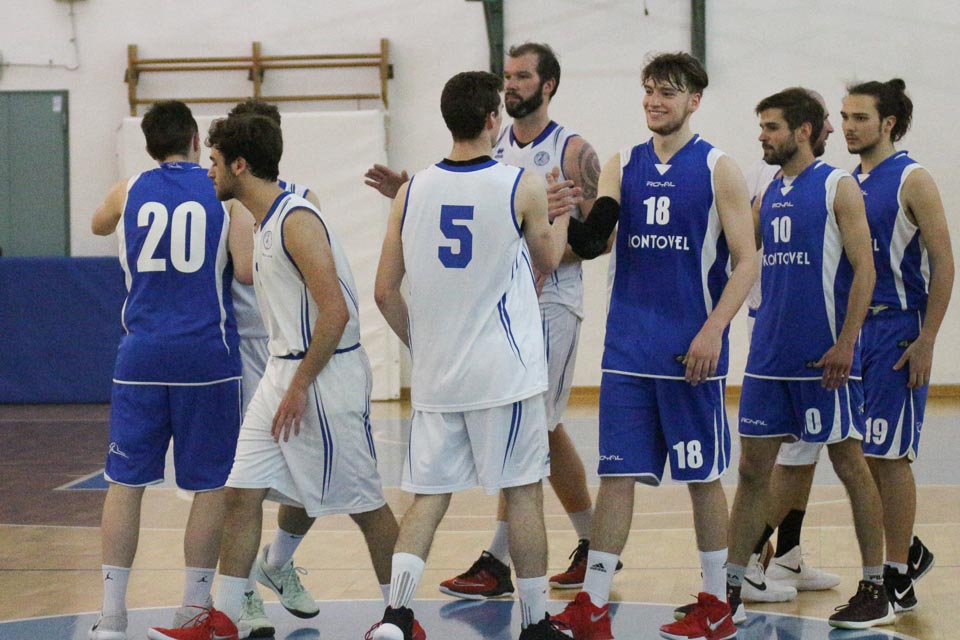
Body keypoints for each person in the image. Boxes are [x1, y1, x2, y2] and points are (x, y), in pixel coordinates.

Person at [367, 43, 607, 598]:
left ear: (548, 85)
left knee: (538, 433)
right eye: (507, 76)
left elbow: (599, 239)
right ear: (491, 113)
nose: (512, 84)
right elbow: (474, 215)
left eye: (522, 76)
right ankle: (568, 548)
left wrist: (549, 222)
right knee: (533, 447)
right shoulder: (495, 153)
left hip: (550, 303)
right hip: (499, 321)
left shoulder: (573, 151)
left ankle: (509, 559)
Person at [147, 113, 400, 640]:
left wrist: (300, 384)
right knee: (240, 494)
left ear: (240, 165)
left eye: (215, 162)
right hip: (282, 369)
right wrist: (287, 381)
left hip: (325, 375)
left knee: (365, 505)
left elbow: (335, 313)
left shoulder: (295, 220)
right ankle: (224, 617)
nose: (208, 171)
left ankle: (401, 617)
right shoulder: (259, 221)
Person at [548, 52, 758, 640]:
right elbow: (596, 240)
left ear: (694, 99)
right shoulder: (622, 164)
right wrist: (557, 214)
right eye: (649, 90)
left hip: (691, 353)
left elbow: (747, 261)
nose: (655, 101)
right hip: (627, 352)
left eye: (668, 92)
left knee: (702, 478)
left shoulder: (718, 168)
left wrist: (714, 329)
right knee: (617, 476)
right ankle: (592, 605)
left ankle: (716, 603)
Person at [725, 87, 893, 633]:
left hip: (823, 360)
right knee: (752, 473)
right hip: (767, 357)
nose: (762, 137)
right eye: (762, 127)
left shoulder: (837, 186)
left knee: (851, 467)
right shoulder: (768, 193)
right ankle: (728, 591)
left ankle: (875, 587)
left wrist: (847, 343)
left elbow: (866, 270)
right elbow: (738, 252)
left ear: (802, 131)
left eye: (771, 127)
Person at [88, 100, 250, 640]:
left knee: (124, 484)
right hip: (207, 356)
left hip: (141, 356)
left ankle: (112, 615)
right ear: (197, 142)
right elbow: (246, 271)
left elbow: (97, 224)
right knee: (209, 487)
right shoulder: (223, 193)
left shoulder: (129, 189)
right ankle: (193, 609)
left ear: (149, 146)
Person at [842, 79, 954, 612]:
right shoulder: (845, 182)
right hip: (854, 332)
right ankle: (906, 550)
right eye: (844, 117)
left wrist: (928, 338)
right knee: (859, 456)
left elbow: (945, 263)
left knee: (890, 456)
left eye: (859, 117)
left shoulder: (913, 179)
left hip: (897, 331)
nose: (848, 126)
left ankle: (897, 575)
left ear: (887, 123)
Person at [221, 99, 328, 637]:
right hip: (250, 351)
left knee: (316, 479)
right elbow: (245, 269)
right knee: (247, 486)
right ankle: (240, 592)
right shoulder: (235, 202)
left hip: (299, 350)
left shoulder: (303, 199)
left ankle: (279, 562)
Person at [736, 90, 842, 599]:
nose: (834, 129)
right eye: (829, 120)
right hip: (777, 330)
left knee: (806, 449)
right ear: (807, 128)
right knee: (790, 455)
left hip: (800, 330)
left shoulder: (824, 180)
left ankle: (789, 555)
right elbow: (743, 247)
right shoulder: (770, 179)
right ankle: (749, 557)